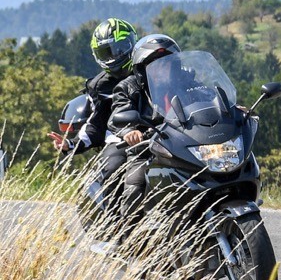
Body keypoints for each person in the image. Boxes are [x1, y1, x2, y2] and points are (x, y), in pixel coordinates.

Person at [108, 33, 183, 228]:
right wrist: (129, 131)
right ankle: (129, 235)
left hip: (184, 145)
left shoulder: (186, 81)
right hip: (148, 149)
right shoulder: (128, 87)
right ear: (142, 69)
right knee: (137, 181)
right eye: (155, 65)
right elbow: (118, 115)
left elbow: (207, 97)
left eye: (167, 63)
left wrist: (229, 109)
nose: (162, 68)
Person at [51, 18, 138, 157]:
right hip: (119, 141)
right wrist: (71, 144)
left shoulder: (150, 70)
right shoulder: (100, 86)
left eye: (119, 49)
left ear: (131, 43)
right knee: (110, 166)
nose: (113, 57)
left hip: (162, 135)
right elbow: (96, 125)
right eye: (106, 54)